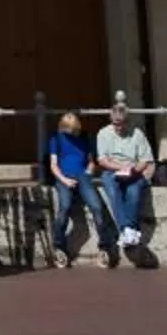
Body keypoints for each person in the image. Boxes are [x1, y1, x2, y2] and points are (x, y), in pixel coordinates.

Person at [44, 110, 112, 266]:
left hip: (82, 176)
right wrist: (64, 180)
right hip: (63, 176)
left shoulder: (83, 137)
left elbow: (90, 161)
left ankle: (105, 247)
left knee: (97, 207)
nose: (71, 133)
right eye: (68, 130)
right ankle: (58, 245)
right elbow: (53, 165)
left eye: (73, 130)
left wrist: (89, 170)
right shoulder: (56, 138)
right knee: (65, 207)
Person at [93, 101, 155, 251]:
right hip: (112, 169)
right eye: (116, 123)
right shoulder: (103, 133)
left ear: (128, 121)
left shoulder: (137, 134)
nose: (119, 127)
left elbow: (145, 159)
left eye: (122, 123)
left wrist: (133, 171)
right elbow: (102, 160)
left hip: (134, 170)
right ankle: (128, 230)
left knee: (133, 191)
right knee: (113, 191)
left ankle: (127, 231)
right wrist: (121, 168)